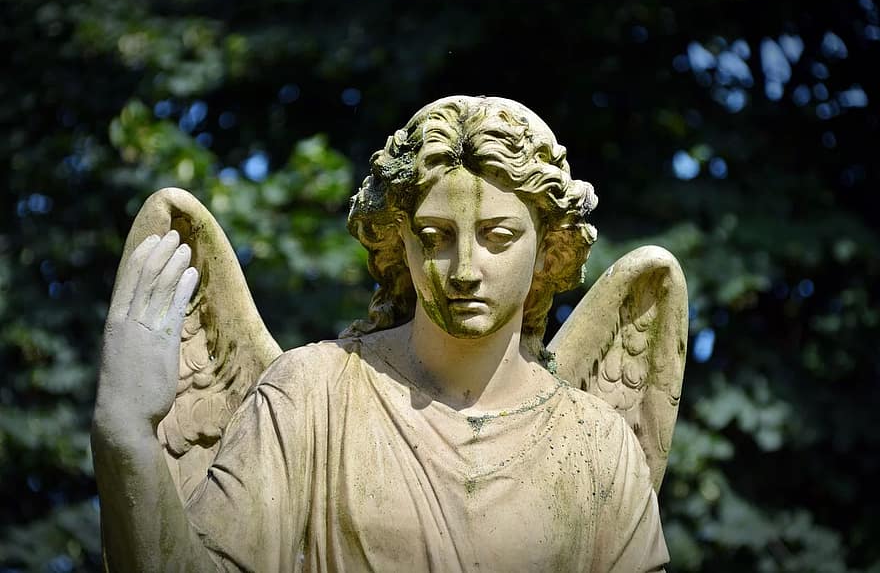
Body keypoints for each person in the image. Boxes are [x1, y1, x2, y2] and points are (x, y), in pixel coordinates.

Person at [92, 96, 669, 571]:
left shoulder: (598, 444)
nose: (465, 268)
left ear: (548, 251)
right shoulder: (311, 397)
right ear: (400, 243)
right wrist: (126, 434)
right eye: (435, 235)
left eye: (497, 236)